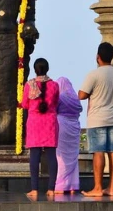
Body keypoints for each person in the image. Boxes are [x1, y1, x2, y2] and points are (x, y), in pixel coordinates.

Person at [79, 42, 113, 197]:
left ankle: (98, 187)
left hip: (97, 118)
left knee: (98, 152)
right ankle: (111, 188)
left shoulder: (94, 74)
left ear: (98, 57)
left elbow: (81, 95)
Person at [21, 58, 59, 197]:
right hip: (50, 122)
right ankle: (51, 189)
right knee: (51, 157)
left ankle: (34, 189)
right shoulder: (54, 85)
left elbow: (24, 104)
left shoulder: (29, 85)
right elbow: (55, 103)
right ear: (47, 69)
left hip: (35, 123)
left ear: (35, 70)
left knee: (34, 156)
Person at [55, 77, 82, 194]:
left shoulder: (60, 97)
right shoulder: (76, 99)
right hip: (75, 126)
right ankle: (72, 185)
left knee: (61, 157)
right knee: (73, 156)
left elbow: (53, 109)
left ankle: (61, 185)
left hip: (62, 125)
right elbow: (80, 109)